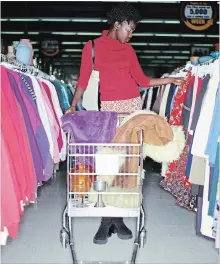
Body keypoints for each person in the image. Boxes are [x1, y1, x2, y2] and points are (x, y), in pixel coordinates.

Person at [66, 3, 183, 245]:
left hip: (132, 112)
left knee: (128, 167)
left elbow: (141, 79)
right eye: (129, 30)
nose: (131, 35)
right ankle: (107, 221)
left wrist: (170, 79)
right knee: (107, 164)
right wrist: (73, 105)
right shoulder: (92, 47)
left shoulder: (128, 51)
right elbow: (83, 79)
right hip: (107, 114)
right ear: (117, 24)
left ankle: (114, 219)